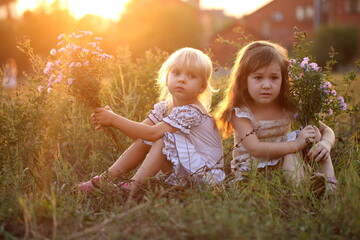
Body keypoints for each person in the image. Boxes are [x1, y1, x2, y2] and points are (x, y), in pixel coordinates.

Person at [79, 47, 225, 193]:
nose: (181, 79)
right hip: (185, 172)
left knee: (163, 139)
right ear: (167, 79)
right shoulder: (165, 108)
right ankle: (105, 178)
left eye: (191, 76)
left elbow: (152, 134)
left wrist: (114, 119)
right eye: (176, 73)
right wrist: (113, 118)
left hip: (206, 177)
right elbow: (139, 135)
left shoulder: (191, 111)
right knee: (149, 139)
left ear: (202, 87)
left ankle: (133, 187)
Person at [214, 41, 336, 191]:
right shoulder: (241, 113)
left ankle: (330, 191)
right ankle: (302, 192)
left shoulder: (289, 107)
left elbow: (326, 130)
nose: (266, 85)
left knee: (315, 135)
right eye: (258, 78)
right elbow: (255, 149)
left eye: (274, 78)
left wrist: (326, 144)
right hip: (253, 170)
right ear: (244, 81)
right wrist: (295, 144)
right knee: (291, 152)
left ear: (283, 80)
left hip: (286, 164)